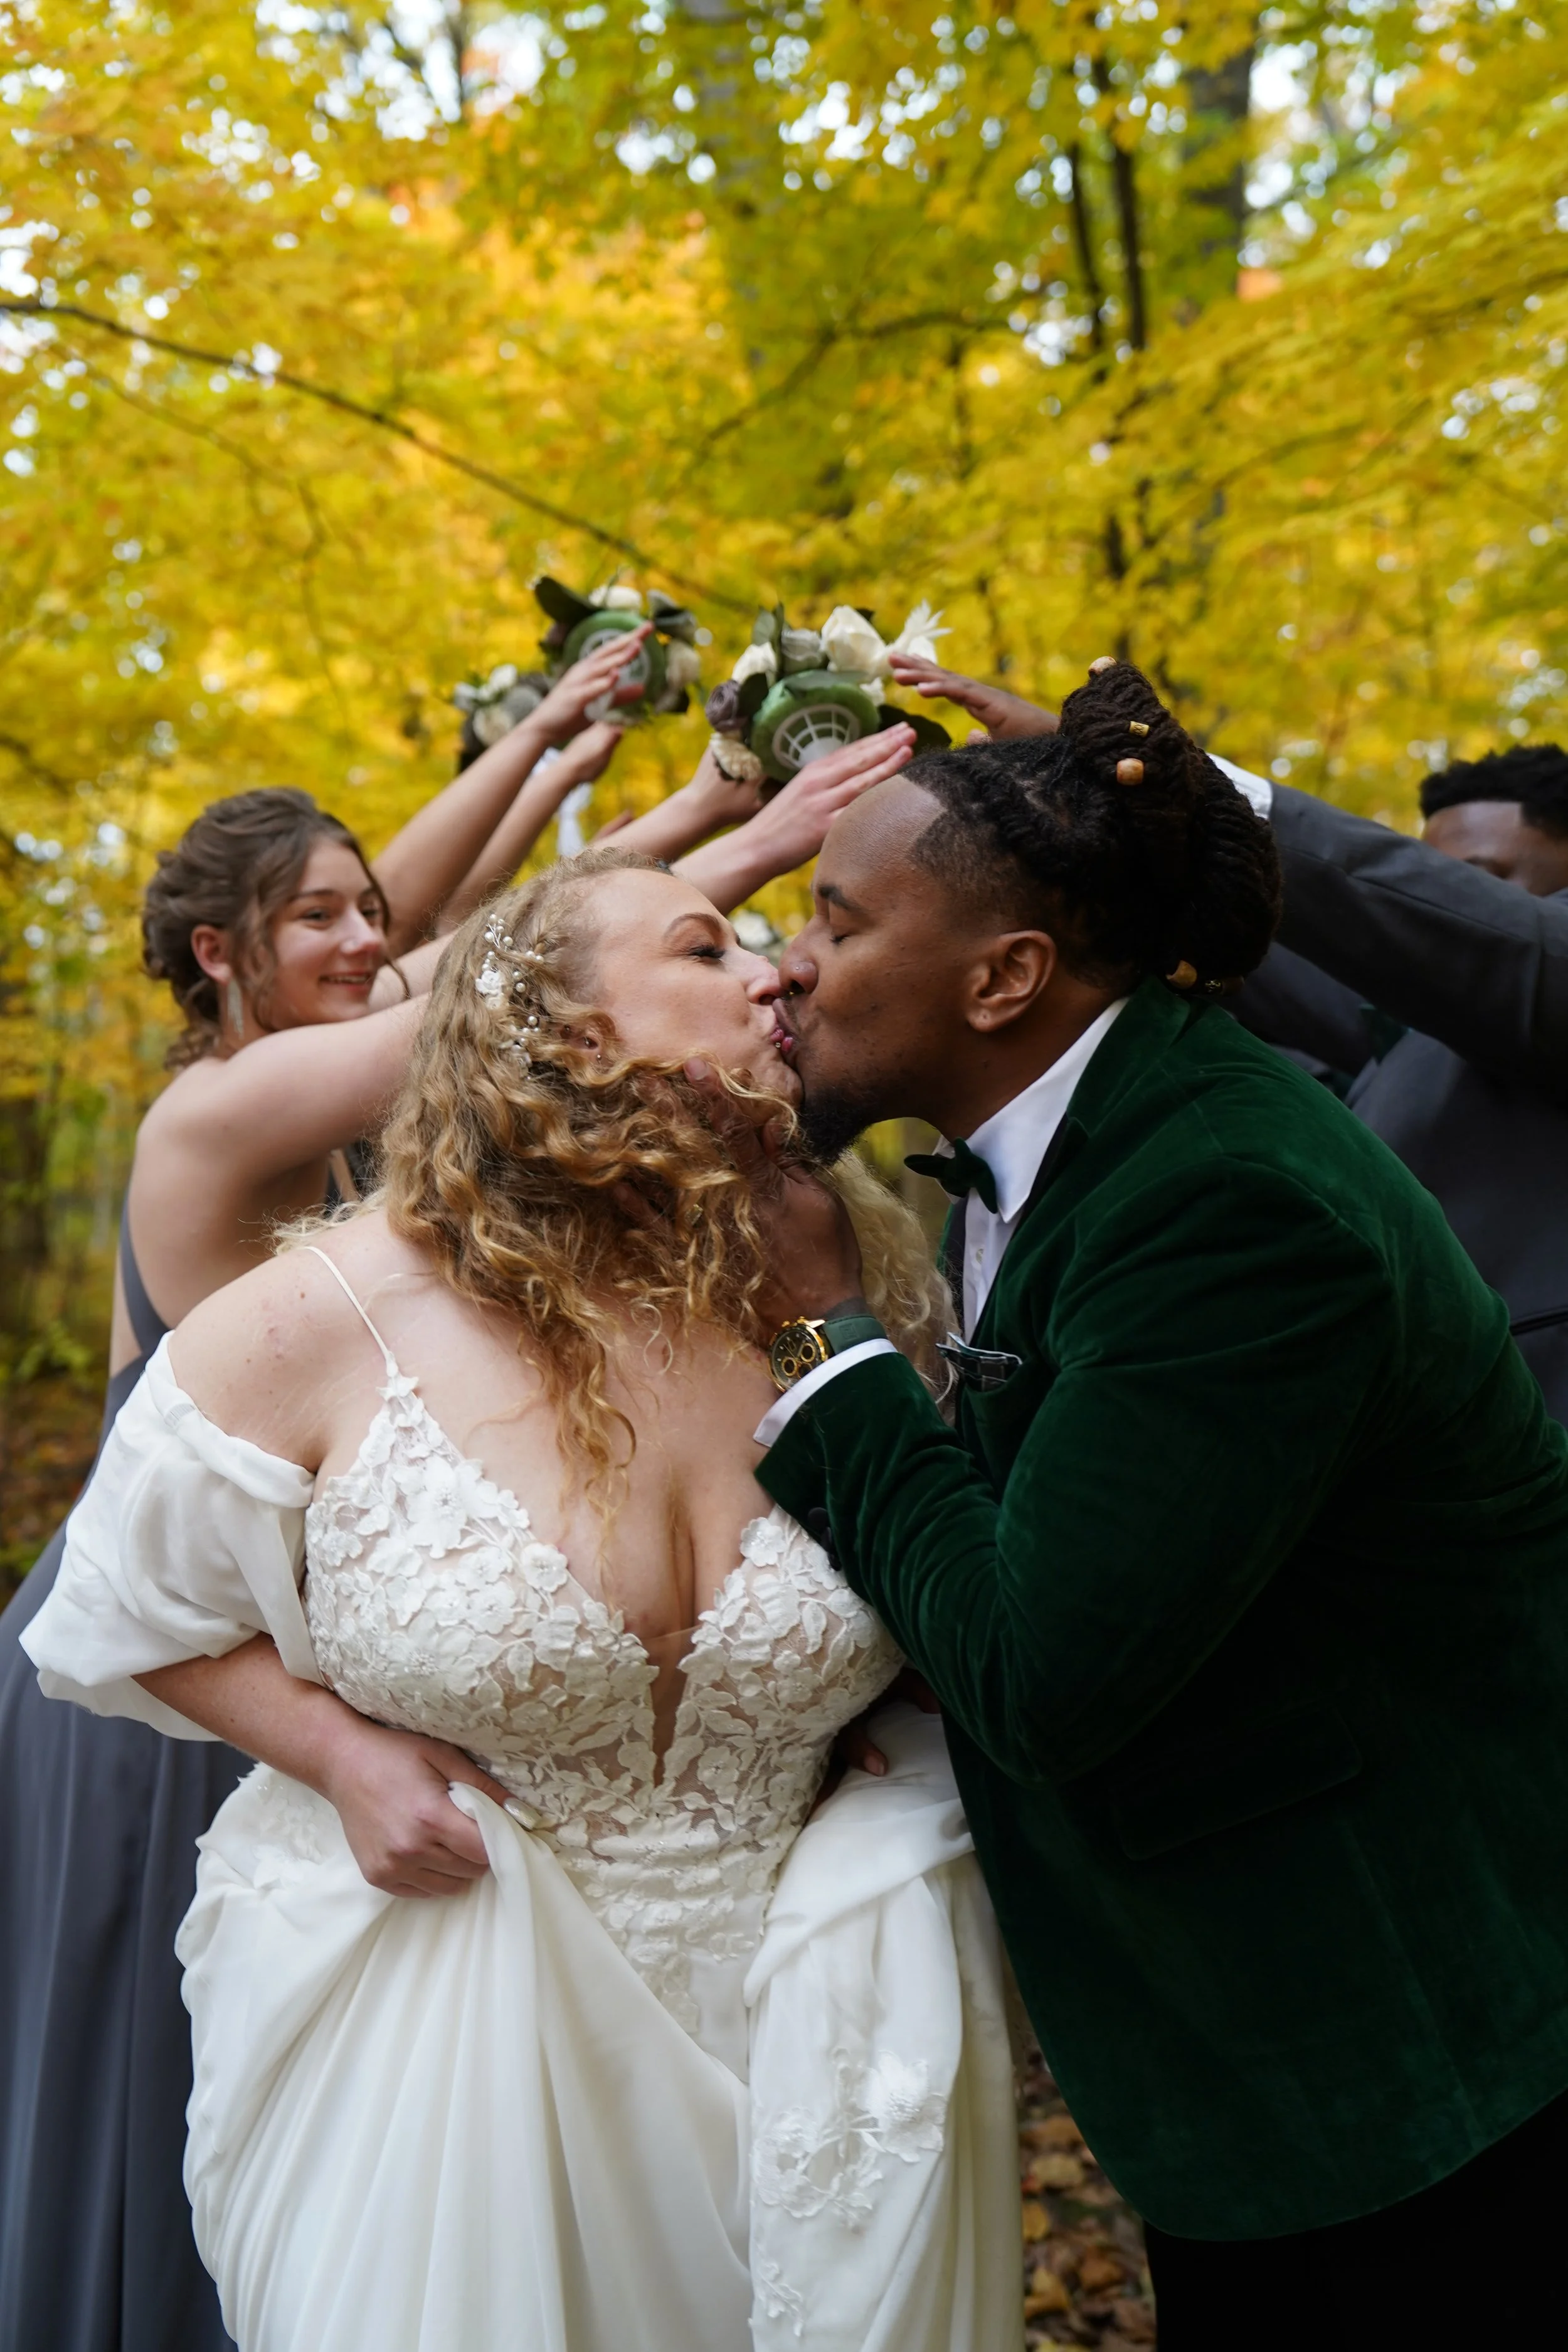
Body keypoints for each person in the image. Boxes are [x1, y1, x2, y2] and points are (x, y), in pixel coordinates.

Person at [0, 597, 906, 2352]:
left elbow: (472, 961)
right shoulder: (218, 1120)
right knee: (156, 2061)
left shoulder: (410, 1145)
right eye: (316, 920)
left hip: (435, 1694)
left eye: (370, 907)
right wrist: (720, 826)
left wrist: (610, 771)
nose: (368, 937)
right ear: (219, 960)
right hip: (189, 1673)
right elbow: (493, 985)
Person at [705, 658, 1568, 2350]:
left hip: (1405, 2073)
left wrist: (824, 1337)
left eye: (833, 917)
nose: (781, 961)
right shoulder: (1069, 1138)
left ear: (1006, 973)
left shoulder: (1226, 1196)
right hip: (1248, 2052)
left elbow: (1039, 1667)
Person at [890, 654, 1568, 1421]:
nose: (1455, 903)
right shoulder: (1397, 1043)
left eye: (1482, 880)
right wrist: (1086, 810)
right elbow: (1250, 947)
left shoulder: (1534, 985)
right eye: (1437, 875)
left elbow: (1487, 945)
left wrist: (1179, 778)